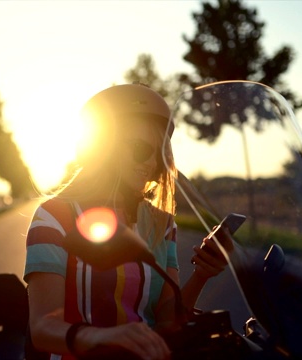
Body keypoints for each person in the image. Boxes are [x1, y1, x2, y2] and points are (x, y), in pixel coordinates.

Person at [24, 83, 231, 360]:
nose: (150, 164)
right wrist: (102, 336)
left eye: (159, 155)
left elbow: (168, 319)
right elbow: (41, 328)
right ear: (102, 149)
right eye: (139, 148)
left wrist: (203, 274)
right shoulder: (54, 216)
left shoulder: (161, 223)